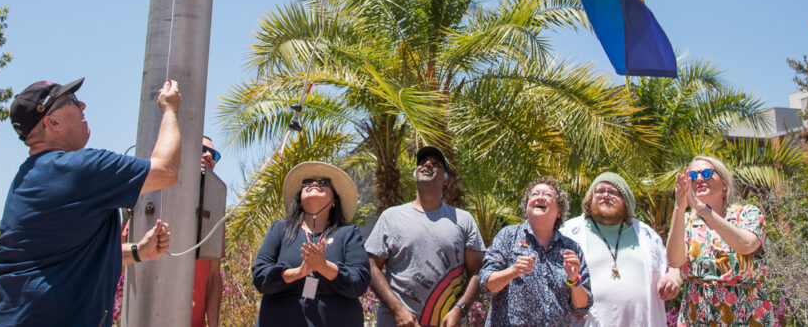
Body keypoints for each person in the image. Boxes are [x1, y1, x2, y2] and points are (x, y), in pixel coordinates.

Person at [0, 78, 182, 327]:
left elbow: (69, 259)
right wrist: (170, 109)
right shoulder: (75, 169)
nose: (83, 106)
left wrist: (139, 252)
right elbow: (165, 170)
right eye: (73, 101)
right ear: (52, 121)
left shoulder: (30, 177)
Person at [366, 146, 484, 327]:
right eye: (422, 162)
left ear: (446, 180)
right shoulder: (390, 217)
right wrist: (397, 309)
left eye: (435, 164)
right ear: (415, 174)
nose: (427, 164)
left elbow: (477, 272)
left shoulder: (463, 220)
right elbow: (371, 265)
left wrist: (459, 309)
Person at [253, 161, 371, 325]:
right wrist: (299, 272)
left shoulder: (349, 233)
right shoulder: (279, 229)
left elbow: (360, 280)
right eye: (307, 183)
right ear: (300, 200)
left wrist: (324, 267)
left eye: (324, 182)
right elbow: (260, 276)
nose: (314, 184)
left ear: (334, 201)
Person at [561, 171, 681, 326]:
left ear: (626, 202)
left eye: (613, 192)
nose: (605, 195)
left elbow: (672, 267)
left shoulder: (646, 235)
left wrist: (672, 278)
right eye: (599, 191)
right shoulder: (569, 232)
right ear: (589, 199)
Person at [666, 155, 773, 326]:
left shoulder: (746, 214)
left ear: (724, 184)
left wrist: (702, 209)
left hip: (745, 314)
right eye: (693, 176)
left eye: (707, 173)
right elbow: (675, 260)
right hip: (698, 315)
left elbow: (746, 245)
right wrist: (679, 208)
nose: (699, 179)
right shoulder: (687, 222)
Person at [480, 177, 591, 327]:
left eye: (547, 194)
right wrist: (513, 271)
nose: (540, 197)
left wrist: (573, 280)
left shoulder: (571, 248)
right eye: (534, 194)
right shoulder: (508, 236)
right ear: (526, 207)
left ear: (559, 211)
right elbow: (486, 285)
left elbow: (582, 307)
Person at [192, 135, 223, 327]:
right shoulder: (157, 195)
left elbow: (213, 277)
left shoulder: (215, 211)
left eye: (213, 154)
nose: (207, 155)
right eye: (201, 149)